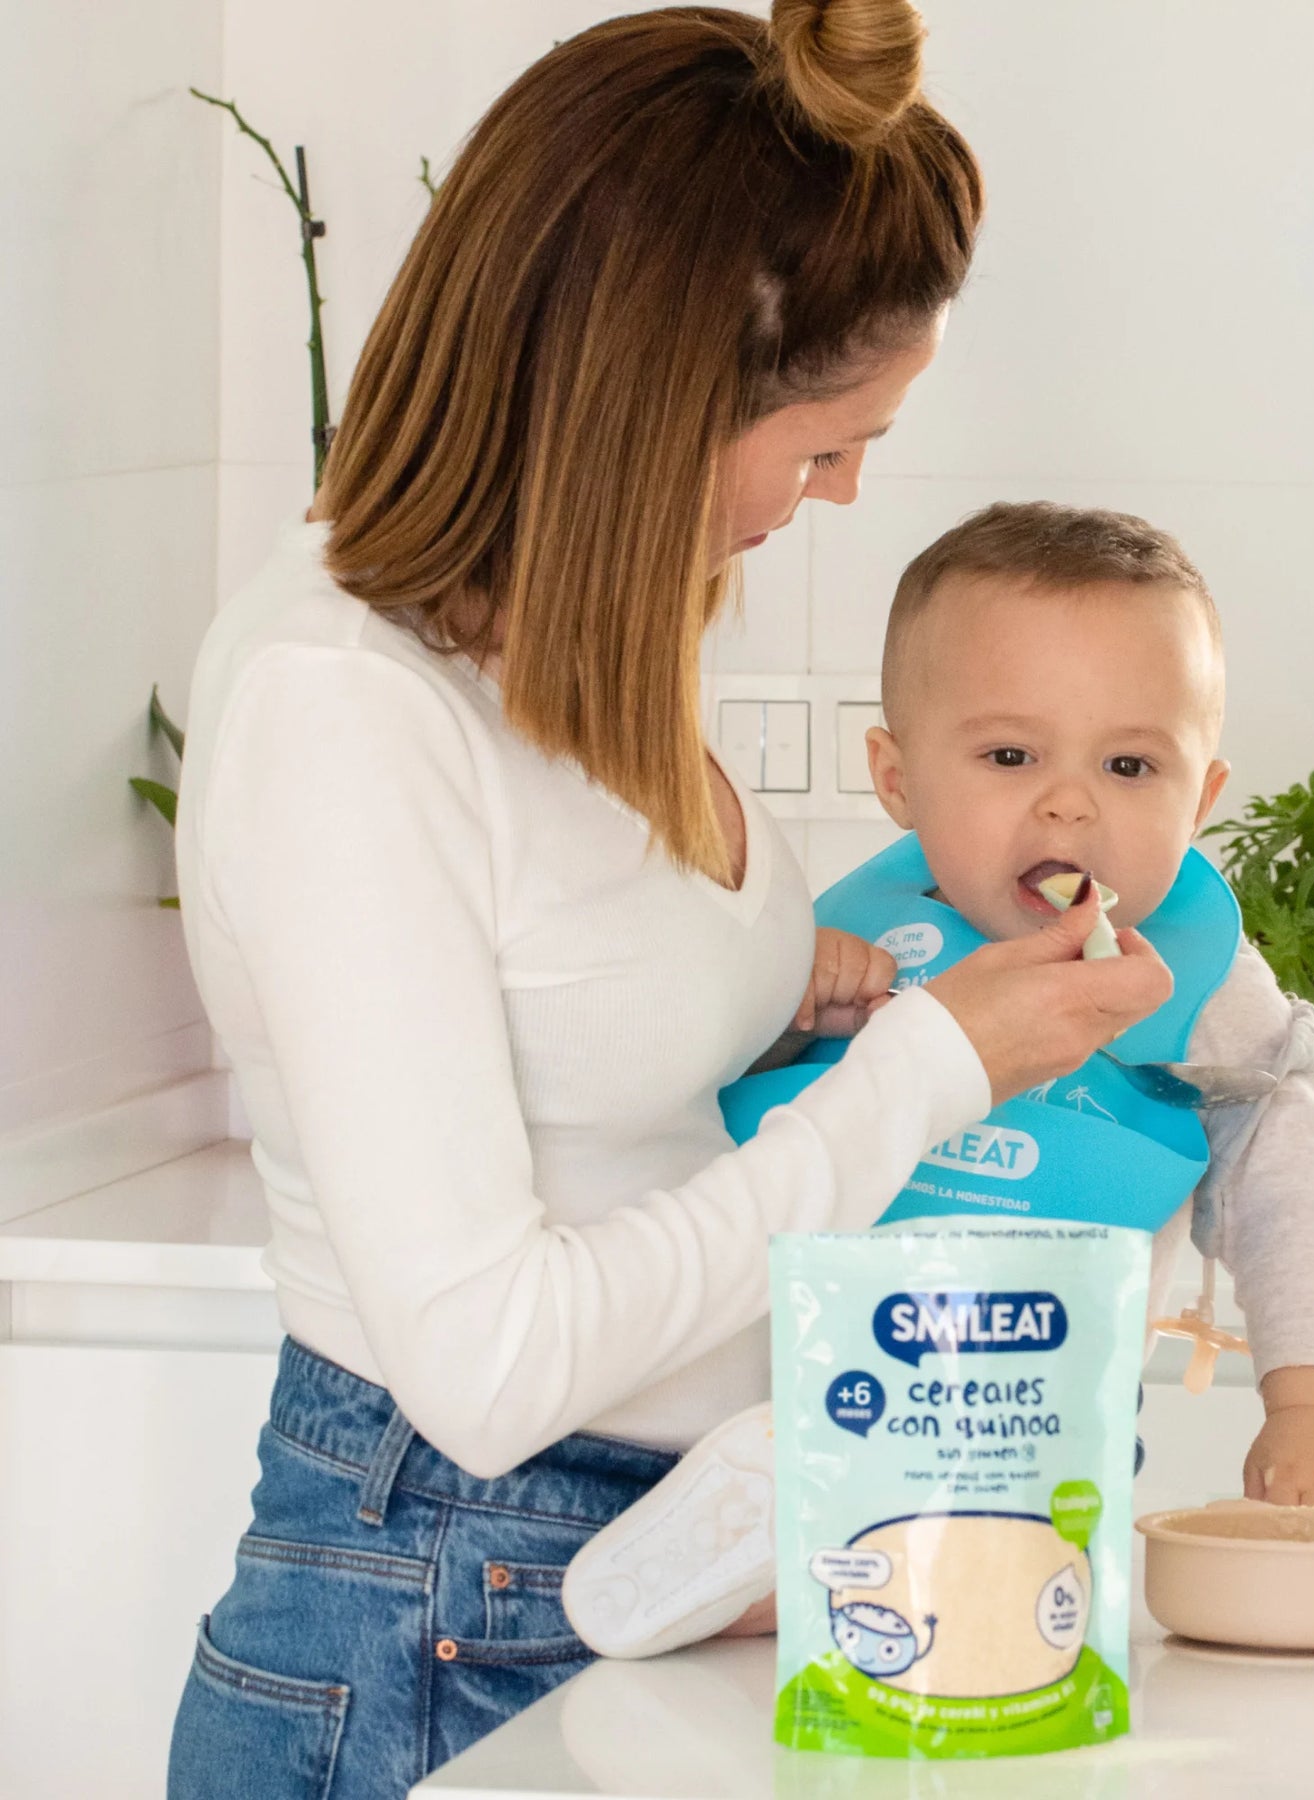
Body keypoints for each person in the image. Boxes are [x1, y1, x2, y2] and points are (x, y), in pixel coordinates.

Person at [165, 11, 1175, 1797]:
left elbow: (569, 1024)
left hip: (647, 1580)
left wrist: (809, 993)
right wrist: (929, 1069)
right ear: (652, 402)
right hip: (437, 1616)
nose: (848, 487)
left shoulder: (573, 639)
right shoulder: (346, 709)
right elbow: (488, 1366)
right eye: (826, 439)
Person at [563, 501, 1314, 1660]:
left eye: (1131, 764)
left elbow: (1296, 1194)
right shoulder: (849, 940)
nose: (1070, 802)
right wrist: (786, 1009)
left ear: (1201, 800)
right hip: (825, 1391)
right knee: (855, 1620)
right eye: (1009, 756)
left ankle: (783, 1569)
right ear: (897, 778)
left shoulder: (1203, 987)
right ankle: (751, 1550)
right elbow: (690, 1121)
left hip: (1044, 1424)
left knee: (1002, 1645)